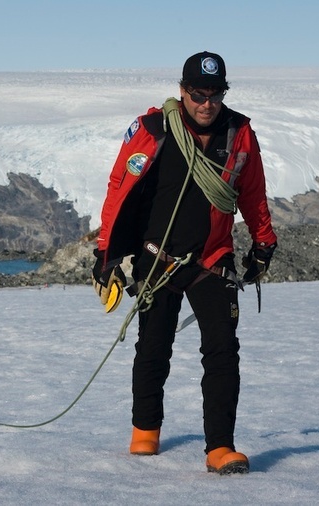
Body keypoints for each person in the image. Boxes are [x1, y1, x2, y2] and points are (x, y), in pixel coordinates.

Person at [92, 52, 278, 475]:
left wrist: (263, 243)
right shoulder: (153, 129)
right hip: (157, 258)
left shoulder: (239, 133)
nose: (207, 103)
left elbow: (252, 193)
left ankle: (220, 447)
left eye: (215, 94)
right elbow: (120, 187)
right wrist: (106, 254)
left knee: (222, 349)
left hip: (212, 259)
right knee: (153, 346)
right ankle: (145, 429)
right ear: (183, 91)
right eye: (198, 94)